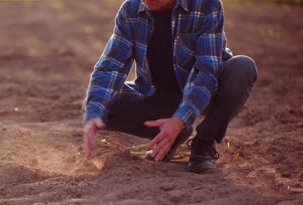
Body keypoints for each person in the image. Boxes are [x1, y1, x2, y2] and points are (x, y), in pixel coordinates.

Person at [82, 0, 258, 173]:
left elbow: (205, 71)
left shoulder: (206, 4)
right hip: (159, 96)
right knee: (99, 104)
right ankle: (174, 134)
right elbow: (111, 66)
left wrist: (181, 118)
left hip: (206, 92)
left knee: (242, 67)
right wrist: (93, 114)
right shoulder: (131, 9)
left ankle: (204, 143)